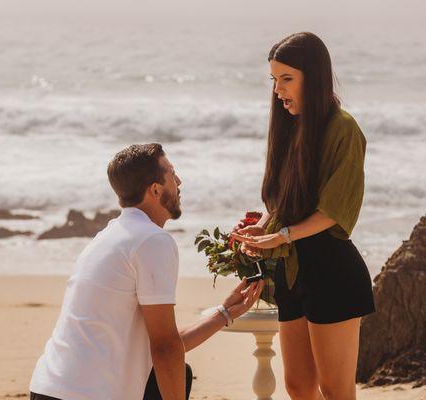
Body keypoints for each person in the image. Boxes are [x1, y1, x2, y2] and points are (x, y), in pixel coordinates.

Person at [30, 143, 263, 400]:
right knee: (174, 372)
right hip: (85, 395)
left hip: (46, 389)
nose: (179, 181)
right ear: (155, 189)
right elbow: (164, 348)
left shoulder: (108, 236)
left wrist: (225, 313)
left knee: (178, 371)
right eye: (172, 175)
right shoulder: (152, 240)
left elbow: (159, 345)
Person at [231, 32, 375, 400]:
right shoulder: (290, 129)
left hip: (333, 271)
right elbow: (282, 202)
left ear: (314, 75)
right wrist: (261, 229)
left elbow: (334, 209)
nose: (278, 90)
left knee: (336, 391)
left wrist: (282, 236)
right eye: (274, 80)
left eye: (286, 78)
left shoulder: (344, 129)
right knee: (297, 387)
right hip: (292, 271)